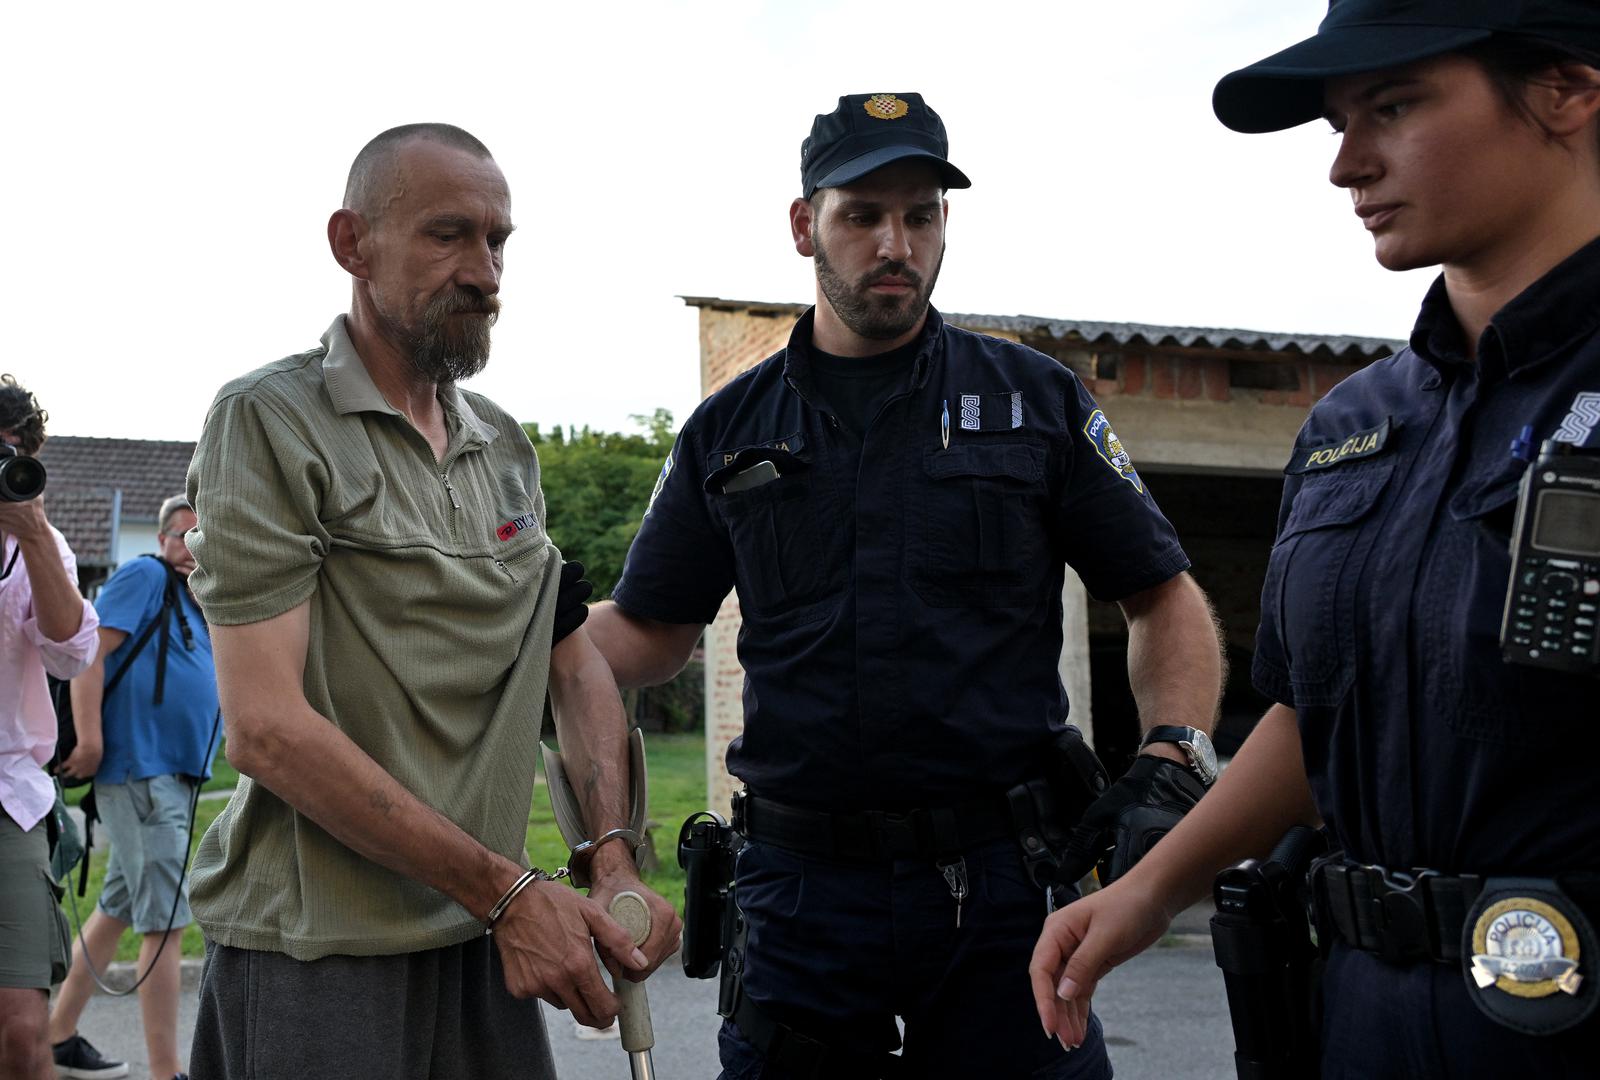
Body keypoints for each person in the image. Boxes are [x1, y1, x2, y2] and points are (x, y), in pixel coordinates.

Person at [587, 93, 1224, 1078]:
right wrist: (515, 634)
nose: (897, 242)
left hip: (1001, 889)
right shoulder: (730, 430)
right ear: (805, 225)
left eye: (921, 214)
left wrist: (1173, 751)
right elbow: (648, 632)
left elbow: (1159, 593)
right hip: (801, 894)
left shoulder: (1033, 401)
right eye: (863, 215)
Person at [1029, 2, 1600, 1076]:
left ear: (1566, 92)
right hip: (1355, 1015)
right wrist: (1148, 887)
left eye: (1391, 106)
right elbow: (1317, 717)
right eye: (1338, 121)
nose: (1344, 164)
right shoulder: (1356, 424)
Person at [182, 123, 679, 1080]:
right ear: (351, 244)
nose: (486, 273)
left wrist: (609, 858)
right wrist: (509, 894)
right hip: (321, 957)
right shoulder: (271, 423)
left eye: (498, 242)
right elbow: (265, 730)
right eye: (449, 235)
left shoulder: (504, 448)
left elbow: (569, 661)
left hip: (481, 938)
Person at [47, 495, 217, 1080]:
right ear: (165, 538)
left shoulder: (197, 602)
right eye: (183, 536)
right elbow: (88, 653)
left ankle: (55, 1036)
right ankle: (168, 1072)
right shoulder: (145, 575)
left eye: (203, 539)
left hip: (169, 778)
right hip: (142, 773)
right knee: (166, 921)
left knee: (119, 908)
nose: (192, 549)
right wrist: (90, 741)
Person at [0, 375, 102, 1080]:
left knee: (21, 1029)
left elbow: (71, 652)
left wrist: (31, 528)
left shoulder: (42, 544)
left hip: (6, 794)